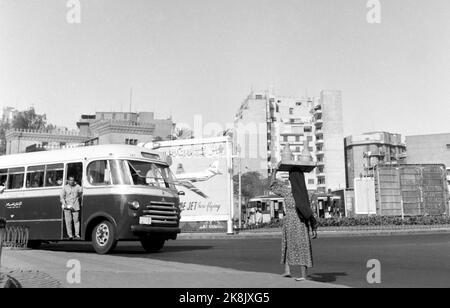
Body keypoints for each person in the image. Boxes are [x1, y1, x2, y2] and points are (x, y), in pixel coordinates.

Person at [270, 172, 318, 282]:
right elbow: (311, 212)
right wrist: (314, 227)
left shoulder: (291, 192)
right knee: (296, 244)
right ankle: (292, 271)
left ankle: (296, 273)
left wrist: (274, 171)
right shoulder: (303, 193)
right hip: (297, 222)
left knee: (295, 245)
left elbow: (273, 185)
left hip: (295, 222)